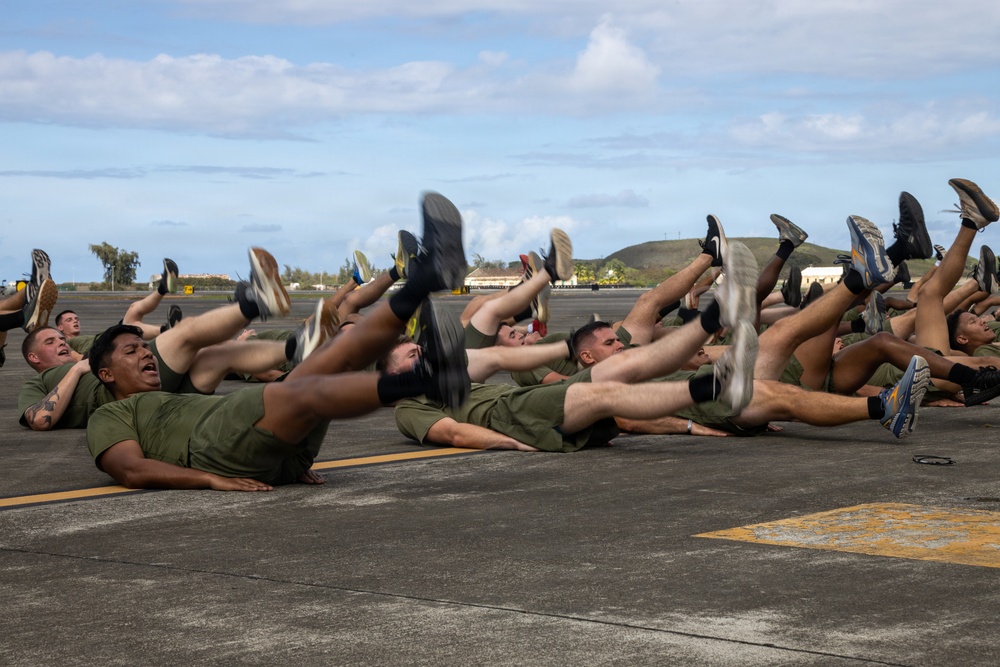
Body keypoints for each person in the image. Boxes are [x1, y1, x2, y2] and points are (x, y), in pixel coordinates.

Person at [85, 191, 472, 491]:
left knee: (332, 358)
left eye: (143, 347)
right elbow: (130, 469)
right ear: (106, 374)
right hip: (213, 448)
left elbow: (214, 358)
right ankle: (427, 379)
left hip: (265, 446)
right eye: (131, 351)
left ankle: (426, 277)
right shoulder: (110, 415)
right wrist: (208, 480)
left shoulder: (174, 394)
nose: (146, 355)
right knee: (306, 389)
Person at [391, 240, 761, 452]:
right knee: (605, 389)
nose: (422, 353)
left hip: (526, 409)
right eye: (411, 355)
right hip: (512, 415)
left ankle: (716, 324)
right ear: (393, 376)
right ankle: (713, 382)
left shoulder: (449, 374)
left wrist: (544, 278)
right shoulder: (409, 407)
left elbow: (489, 324)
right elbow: (453, 433)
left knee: (618, 368)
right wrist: (513, 443)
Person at [18, 247, 323, 430]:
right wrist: (76, 370)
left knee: (220, 356)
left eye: (60, 337)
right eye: (50, 341)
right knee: (186, 334)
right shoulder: (40, 383)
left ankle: (297, 347)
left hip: (155, 390)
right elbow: (40, 420)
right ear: (33, 358)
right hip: (127, 389)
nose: (61, 342)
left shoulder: (81, 352)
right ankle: (255, 303)